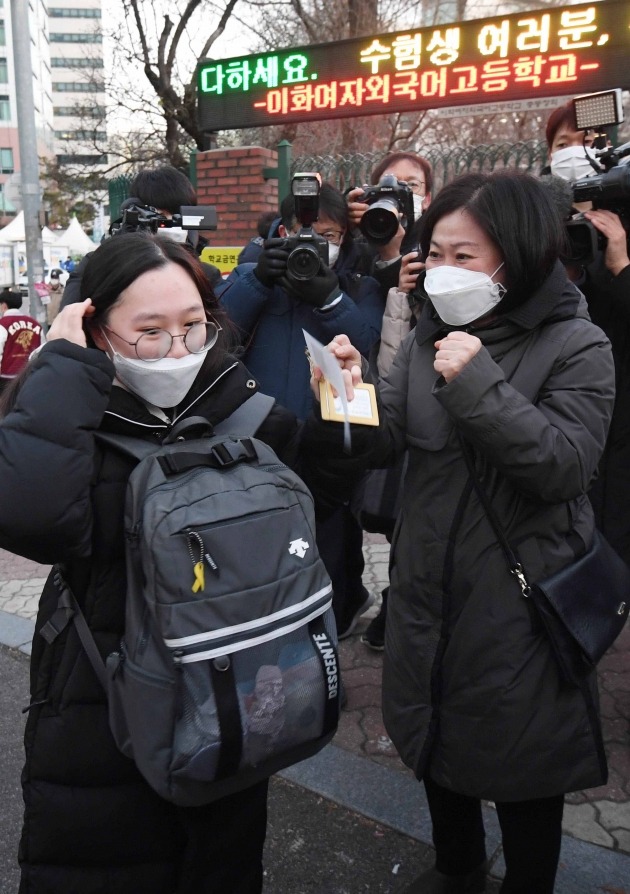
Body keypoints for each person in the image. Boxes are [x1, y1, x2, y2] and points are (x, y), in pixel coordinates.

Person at [304, 171, 615, 894]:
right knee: (434, 728)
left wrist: (480, 386)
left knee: (521, 756)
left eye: (465, 256)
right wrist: (349, 395)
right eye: (435, 251)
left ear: (522, 253)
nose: (443, 270)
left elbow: (565, 466)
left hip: (520, 596)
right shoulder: (427, 334)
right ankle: (456, 865)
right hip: (425, 582)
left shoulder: (578, 343)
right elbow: (400, 441)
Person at [0, 231, 333, 893]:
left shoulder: (243, 410)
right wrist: (62, 365)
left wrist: (350, 405)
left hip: (233, 689)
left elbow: (328, 496)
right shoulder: (70, 418)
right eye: (148, 331)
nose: (176, 350)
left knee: (220, 861)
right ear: (94, 330)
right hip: (103, 703)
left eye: (192, 326)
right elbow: (26, 513)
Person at [218, 181, 384, 636]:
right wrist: (256, 277)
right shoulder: (257, 279)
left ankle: (326, 638)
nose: (314, 245)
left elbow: (367, 339)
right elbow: (217, 330)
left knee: (327, 543)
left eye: (328, 237)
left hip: (325, 445)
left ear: (345, 241)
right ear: (281, 232)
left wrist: (329, 298)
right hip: (258, 438)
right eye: (302, 234)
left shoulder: (358, 286)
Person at [543, 99, 630, 565]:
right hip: (558, 394)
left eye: (588, 141)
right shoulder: (534, 213)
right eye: (563, 144)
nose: (575, 152)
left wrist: (619, 265)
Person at [61, 165, 222, 308]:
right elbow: (67, 329)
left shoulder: (206, 274)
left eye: (178, 217)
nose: (171, 226)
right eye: (160, 218)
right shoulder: (96, 266)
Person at [347, 151, 433, 295]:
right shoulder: (363, 237)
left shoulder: (433, 243)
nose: (399, 193)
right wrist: (346, 229)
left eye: (412, 184)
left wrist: (391, 256)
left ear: (427, 199)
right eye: (390, 184)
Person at [0, 288, 44, 395]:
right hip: (29, 374)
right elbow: (42, 349)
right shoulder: (35, 324)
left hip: (6, 377)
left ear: (4, 305)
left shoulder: (3, 324)